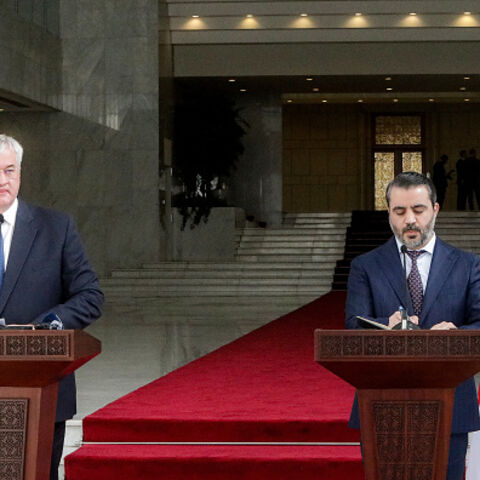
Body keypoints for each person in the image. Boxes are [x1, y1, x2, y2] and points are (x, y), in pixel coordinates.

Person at [346, 171, 480, 480]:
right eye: (400, 211)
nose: (410, 219)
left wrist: (456, 336)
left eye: (418, 210)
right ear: (389, 213)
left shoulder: (468, 265)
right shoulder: (365, 266)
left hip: (451, 408)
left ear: (435, 209)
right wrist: (386, 325)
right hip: (381, 408)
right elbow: (353, 325)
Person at [0, 135, 104, 480]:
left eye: (10, 170)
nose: (3, 180)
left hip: (41, 390)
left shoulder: (56, 227)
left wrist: (48, 324)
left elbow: (89, 296)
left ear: (20, 173)